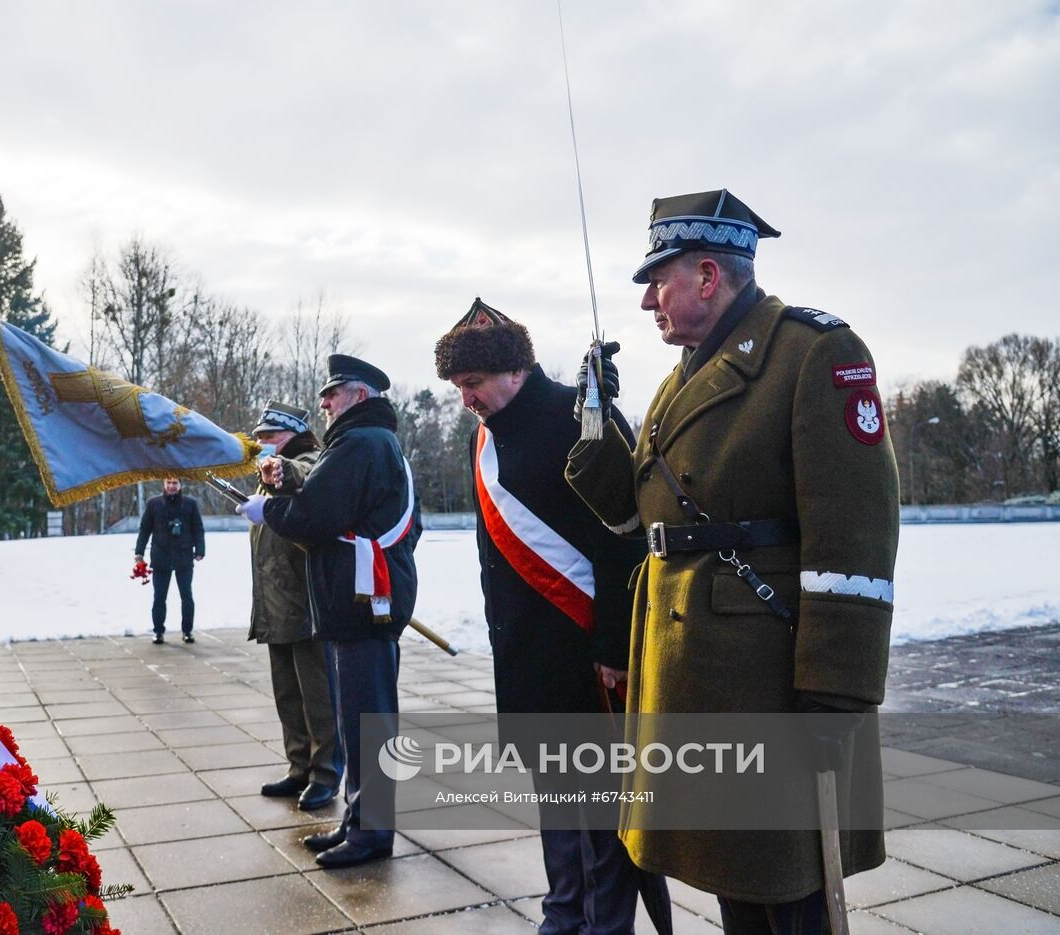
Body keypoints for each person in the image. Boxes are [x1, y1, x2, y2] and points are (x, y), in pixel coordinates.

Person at [564, 189, 899, 933]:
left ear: (709, 276)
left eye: (660, 279)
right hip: (698, 677)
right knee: (734, 883)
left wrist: (835, 690)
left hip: (771, 681)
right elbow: (641, 516)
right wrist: (593, 416)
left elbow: (856, 534)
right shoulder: (677, 379)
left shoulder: (814, 352)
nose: (650, 299)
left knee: (792, 896)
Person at [436, 298, 671, 935]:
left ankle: (600, 925)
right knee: (558, 803)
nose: (466, 400)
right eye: (458, 386)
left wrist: (615, 647)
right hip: (529, 655)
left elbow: (624, 542)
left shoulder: (579, 421)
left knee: (596, 810)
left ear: (514, 369)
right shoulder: (493, 433)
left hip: (583, 655)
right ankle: (563, 916)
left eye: (473, 383)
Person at [235, 354, 420, 869]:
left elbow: (315, 513)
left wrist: (266, 510)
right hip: (360, 599)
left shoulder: (359, 443)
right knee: (361, 718)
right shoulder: (369, 442)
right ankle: (359, 821)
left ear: (359, 396)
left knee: (368, 721)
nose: (323, 402)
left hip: (362, 600)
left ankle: (370, 833)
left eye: (332, 393)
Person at [246, 400, 342, 811]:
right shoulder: (268, 470)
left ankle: (325, 773)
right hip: (276, 603)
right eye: (260, 438)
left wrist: (282, 473)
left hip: (306, 603)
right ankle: (299, 766)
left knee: (317, 696)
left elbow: (303, 477)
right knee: (288, 695)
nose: (261, 444)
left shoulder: (306, 462)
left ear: (289, 435)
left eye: (269, 437)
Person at [134, 477, 206, 645]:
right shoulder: (154, 504)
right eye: (168, 483)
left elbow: (198, 528)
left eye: (175, 483)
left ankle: (187, 630)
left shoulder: (190, 504)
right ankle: (158, 631)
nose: (172, 486)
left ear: (180, 485)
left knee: (186, 596)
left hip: (184, 556)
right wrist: (139, 551)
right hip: (161, 556)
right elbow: (145, 529)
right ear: (164, 484)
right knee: (159, 597)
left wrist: (200, 550)